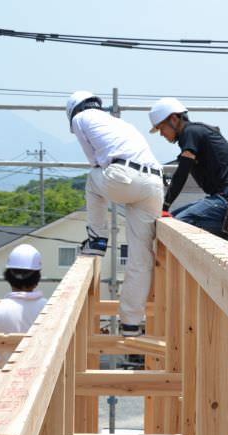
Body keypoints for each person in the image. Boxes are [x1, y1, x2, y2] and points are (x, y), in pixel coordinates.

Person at [67, 90, 164, 337]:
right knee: (141, 256)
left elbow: (94, 161)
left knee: (92, 181)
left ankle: (97, 239)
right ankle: (131, 323)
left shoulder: (81, 118)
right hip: (154, 184)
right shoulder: (121, 123)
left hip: (124, 178)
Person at [148, 97, 228, 243]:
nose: (161, 133)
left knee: (178, 225)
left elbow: (182, 173)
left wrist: (165, 205)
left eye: (161, 127)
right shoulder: (196, 132)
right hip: (225, 198)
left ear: (174, 119)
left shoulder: (190, 133)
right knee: (172, 220)